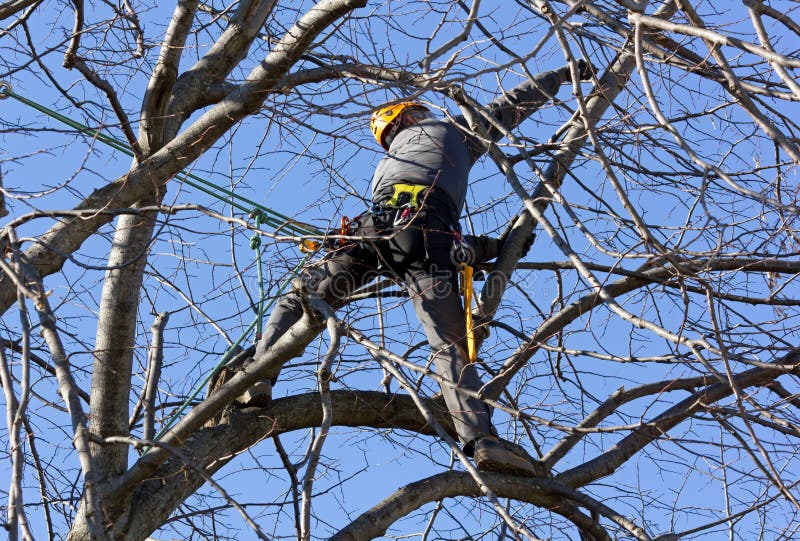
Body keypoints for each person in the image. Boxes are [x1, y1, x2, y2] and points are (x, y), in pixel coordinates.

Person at [234, 60, 595, 476]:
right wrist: (563, 74)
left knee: (301, 296)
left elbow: (420, 235)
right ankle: (482, 442)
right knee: (449, 348)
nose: (426, 116)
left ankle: (259, 375)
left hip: (371, 239)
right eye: (419, 112)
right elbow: (516, 103)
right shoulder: (453, 133)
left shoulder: (386, 168)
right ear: (406, 117)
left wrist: (491, 246)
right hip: (429, 243)